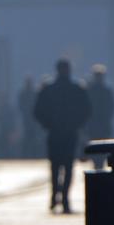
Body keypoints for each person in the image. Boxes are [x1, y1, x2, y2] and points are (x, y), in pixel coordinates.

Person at [33, 58, 91, 214]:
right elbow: (86, 111)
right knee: (66, 167)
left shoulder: (49, 89)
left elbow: (37, 111)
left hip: (55, 133)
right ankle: (63, 198)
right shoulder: (76, 89)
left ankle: (56, 196)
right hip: (68, 134)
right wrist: (76, 124)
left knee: (56, 167)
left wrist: (48, 124)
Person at [84, 64, 114, 167]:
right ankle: (97, 164)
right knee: (97, 148)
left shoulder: (93, 91)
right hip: (96, 125)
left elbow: (111, 107)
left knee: (101, 148)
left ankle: (99, 164)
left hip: (99, 125)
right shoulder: (99, 91)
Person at [17, 76, 39, 158]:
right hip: (28, 119)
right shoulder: (30, 93)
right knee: (28, 137)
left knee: (30, 137)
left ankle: (29, 153)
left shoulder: (30, 93)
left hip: (31, 119)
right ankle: (28, 153)